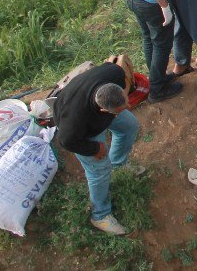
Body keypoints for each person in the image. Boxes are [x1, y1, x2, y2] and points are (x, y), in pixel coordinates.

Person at [54, 63, 139, 235]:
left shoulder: (113, 73)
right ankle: (100, 215)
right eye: (118, 111)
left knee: (130, 125)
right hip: (82, 133)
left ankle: (119, 163)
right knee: (99, 168)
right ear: (103, 110)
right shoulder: (75, 121)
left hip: (102, 106)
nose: (128, 107)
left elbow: (124, 81)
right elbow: (66, 141)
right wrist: (94, 148)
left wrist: (124, 102)